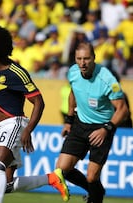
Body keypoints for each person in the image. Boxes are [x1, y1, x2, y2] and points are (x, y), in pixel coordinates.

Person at [0, 24, 69, 203]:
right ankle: (52, 179)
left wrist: (28, 130)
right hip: (0, 127)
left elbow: (39, 102)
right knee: (6, 184)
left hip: (14, 124)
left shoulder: (15, 73)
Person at [57, 42, 129, 203]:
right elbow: (73, 93)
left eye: (86, 59)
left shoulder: (108, 80)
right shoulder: (73, 72)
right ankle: (95, 191)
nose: (82, 63)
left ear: (94, 58)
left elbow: (123, 110)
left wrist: (106, 129)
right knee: (62, 170)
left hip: (102, 128)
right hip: (79, 124)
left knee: (92, 177)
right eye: (79, 59)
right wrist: (69, 121)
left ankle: (95, 196)